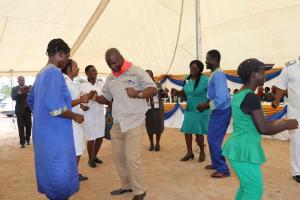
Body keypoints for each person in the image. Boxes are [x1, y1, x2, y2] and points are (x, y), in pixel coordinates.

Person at [222, 58, 298, 200]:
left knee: (246, 188)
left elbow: (254, 122)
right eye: (262, 72)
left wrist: (278, 122)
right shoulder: (251, 97)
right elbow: (263, 128)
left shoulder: (240, 94)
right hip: (244, 151)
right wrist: (288, 124)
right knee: (254, 190)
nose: (265, 75)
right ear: (253, 75)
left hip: (238, 147)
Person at [94, 48, 157, 200]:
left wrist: (138, 94)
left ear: (121, 57)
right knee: (118, 157)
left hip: (135, 121)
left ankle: (140, 191)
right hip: (117, 123)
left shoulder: (136, 71)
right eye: (109, 64)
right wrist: (95, 97)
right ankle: (127, 185)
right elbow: (107, 98)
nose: (112, 66)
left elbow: (153, 89)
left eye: (114, 62)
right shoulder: (111, 78)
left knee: (132, 157)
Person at [27, 39, 84, 200]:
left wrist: (43, 118)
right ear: (60, 54)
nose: (67, 60)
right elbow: (56, 108)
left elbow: (31, 102)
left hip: (43, 135)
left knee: (49, 172)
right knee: (60, 175)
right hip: (56, 136)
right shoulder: (54, 73)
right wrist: (75, 116)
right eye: (67, 56)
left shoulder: (41, 74)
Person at [171, 60, 210, 162]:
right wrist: (177, 92)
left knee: (198, 131)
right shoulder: (187, 79)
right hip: (190, 109)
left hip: (200, 109)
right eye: (191, 68)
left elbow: (212, 95)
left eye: (195, 68)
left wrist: (206, 104)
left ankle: (202, 152)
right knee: (187, 130)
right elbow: (185, 94)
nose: (192, 70)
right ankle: (189, 152)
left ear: (200, 69)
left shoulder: (205, 80)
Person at [272, 59, 300, 183]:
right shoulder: (290, 67)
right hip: (295, 112)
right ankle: (297, 171)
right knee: (296, 142)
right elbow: (281, 87)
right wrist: (276, 101)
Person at [205, 49, 231, 178]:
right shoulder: (214, 74)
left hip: (222, 111)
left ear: (215, 60)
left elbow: (220, 98)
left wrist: (206, 105)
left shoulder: (219, 75)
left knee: (213, 139)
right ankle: (216, 163)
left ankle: (223, 169)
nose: (206, 61)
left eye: (208, 59)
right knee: (212, 138)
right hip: (218, 111)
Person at [62, 59, 89, 181]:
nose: (78, 69)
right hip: (70, 121)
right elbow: (62, 103)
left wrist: (82, 105)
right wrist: (80, 100)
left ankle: (73, 173)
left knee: (78, 148)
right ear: (69, 69)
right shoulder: (64, 82)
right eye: (76, 66)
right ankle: (71, 176)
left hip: (76, 121)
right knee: (76, 149)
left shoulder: (72, 82)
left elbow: (75, 100)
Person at [78, 65, 106, 168]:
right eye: (91, 71)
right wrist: (82, 106)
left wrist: (96, 97)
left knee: (100, 135)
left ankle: (95, 156)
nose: (94, 72)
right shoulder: (82, 85)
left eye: (95, 70)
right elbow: (77, 99)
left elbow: (105, 97)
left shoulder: (101, 84)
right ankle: (90, 159)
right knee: (91, 137)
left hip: (99, 113)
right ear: (86, 73)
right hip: (88, 114)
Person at [145, 69, 167, 152]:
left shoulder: (158, 84)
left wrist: (165, 93)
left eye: (148, 75)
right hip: (148, 108)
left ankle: (157, 143)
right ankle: (151, 144)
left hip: (158, 108)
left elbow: (163, 95)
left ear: (152, 76)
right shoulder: (143, 85)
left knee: (158, 126)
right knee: (149, 126)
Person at [11, 76, 32, 148]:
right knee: (20, 127)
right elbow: (13, 98)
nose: (22, 81)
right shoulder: (14, 89)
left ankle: (28, 139)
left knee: (29, 125)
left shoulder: (28, 87)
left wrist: (30, 92)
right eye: (20, 80)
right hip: (19, 111)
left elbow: (32, 97)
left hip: (27, 110)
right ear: (17, 81)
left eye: (23, 80)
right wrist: (19, 92)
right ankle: (22, 143)